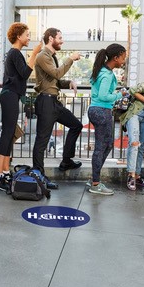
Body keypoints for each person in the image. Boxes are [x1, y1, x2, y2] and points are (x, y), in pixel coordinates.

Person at [0, 23, 42, 191]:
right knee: (7, 133)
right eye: (27, 34)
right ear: (19, 36)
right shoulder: (15, 53)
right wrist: (34, 53)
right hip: (10, 95)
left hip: (11, 95)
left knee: (10, 133)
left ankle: (4, 170)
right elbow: (26, 73)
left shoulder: (14, 53)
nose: (29, 37)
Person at [32, 28, 82, 179]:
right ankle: (39, 175)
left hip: (54, 102)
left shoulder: (52, 56)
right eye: (60, 38)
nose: (62, 41)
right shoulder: (42, 56)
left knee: (76, 125)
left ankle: (66, 160)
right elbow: (57, 73)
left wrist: (69, 83)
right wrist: (71, 59)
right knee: (42, 140)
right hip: (46, 102)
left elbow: (56, 80)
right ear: (51, 39)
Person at [87, 44, 127, 195]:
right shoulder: (107, 74)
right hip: (101, 111)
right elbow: (104, 96)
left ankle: (94, 178)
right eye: (123, 58)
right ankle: (95, 183)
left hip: (98, 110)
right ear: (115, 58)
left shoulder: (102, 71)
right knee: (101, 147)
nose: (124, 61)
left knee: (108, 145)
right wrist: (120, 95)